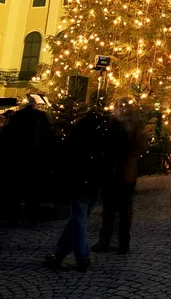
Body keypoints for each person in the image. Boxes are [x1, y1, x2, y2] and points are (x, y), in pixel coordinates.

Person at [46, 108, 112, 273]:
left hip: (81, 182)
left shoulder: (78, 138)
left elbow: (67, 159)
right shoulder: (103, 137)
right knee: (78, 219)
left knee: (78, 219)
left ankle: (80, 256)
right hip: (93, 182)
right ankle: (60, 254)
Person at [91, 101, 145, 254]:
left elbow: (119, 148)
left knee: (114, 209)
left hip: (120, 172)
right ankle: (119, 242)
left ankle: (109, 242)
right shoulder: (132, 125)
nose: (120, 109)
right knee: (120, 209)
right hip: (125, 172)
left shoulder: (124, 127)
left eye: (123, 106)